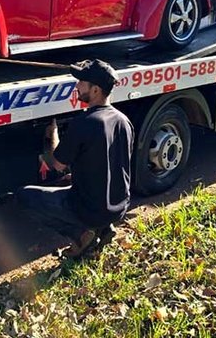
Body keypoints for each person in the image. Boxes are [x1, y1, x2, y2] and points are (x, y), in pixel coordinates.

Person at [17, 59, 134, 258]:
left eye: (81, 82)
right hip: (120, 206)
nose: (77, 86)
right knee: (75, 185)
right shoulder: (124, 121)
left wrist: (52, 134)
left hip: (90, 209)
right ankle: (104, 228)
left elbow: (58, 164)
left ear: (95, 90)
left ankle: (81, 235)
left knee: (24, 196)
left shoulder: (85, 122)